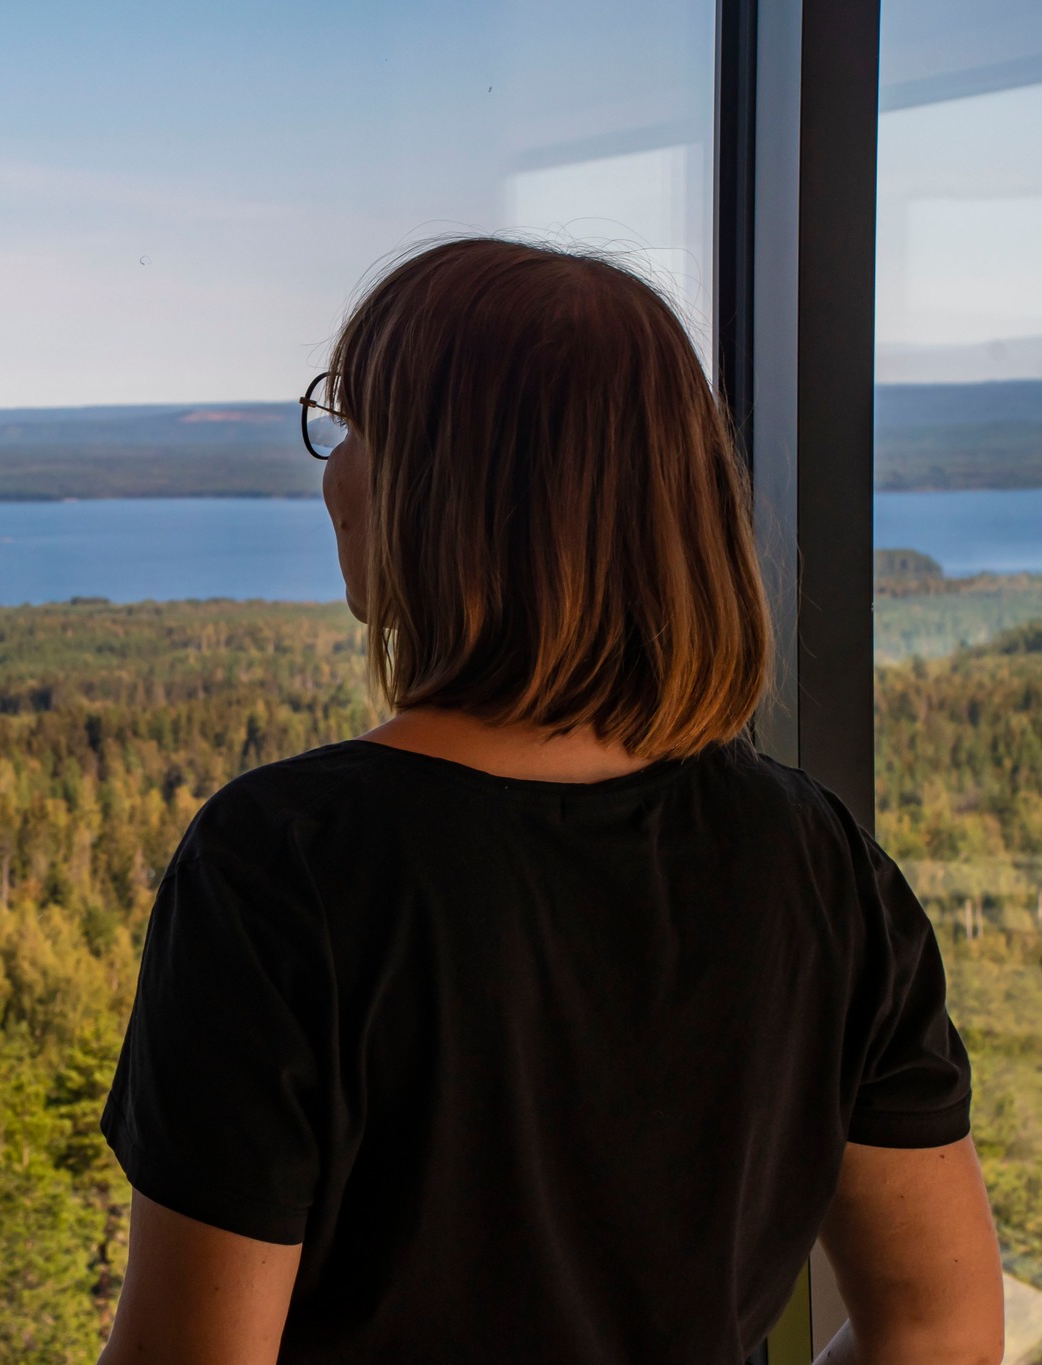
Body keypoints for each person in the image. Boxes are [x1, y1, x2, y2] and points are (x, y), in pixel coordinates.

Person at [95, 238, 1004, 1365]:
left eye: (355, 426)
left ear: (445, 489)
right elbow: (940, 1325)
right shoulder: (812, 858)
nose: (332, 476)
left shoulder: (283, 866)